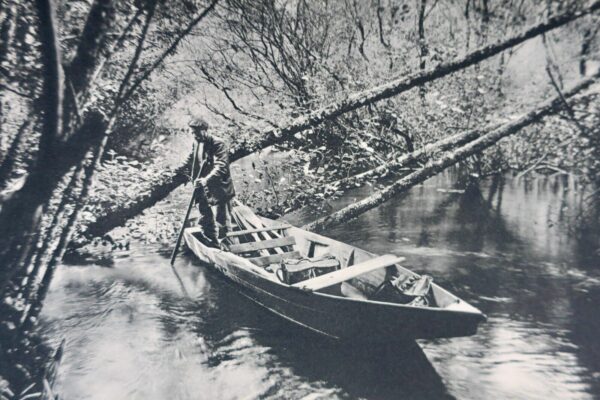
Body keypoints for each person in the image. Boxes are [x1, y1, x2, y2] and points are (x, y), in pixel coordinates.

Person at [189, 117, 235, 247]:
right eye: (192, 132)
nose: (194, 135)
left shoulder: (218, 143)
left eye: (196, 132)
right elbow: (191, 161)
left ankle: (228, 248)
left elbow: (221, 166)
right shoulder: (196, 143)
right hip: (202, 188)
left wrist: (205, 180)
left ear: (205, 131)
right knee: (205, 218)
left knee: (222, 221)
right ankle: (211, 244)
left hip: (219, 188)